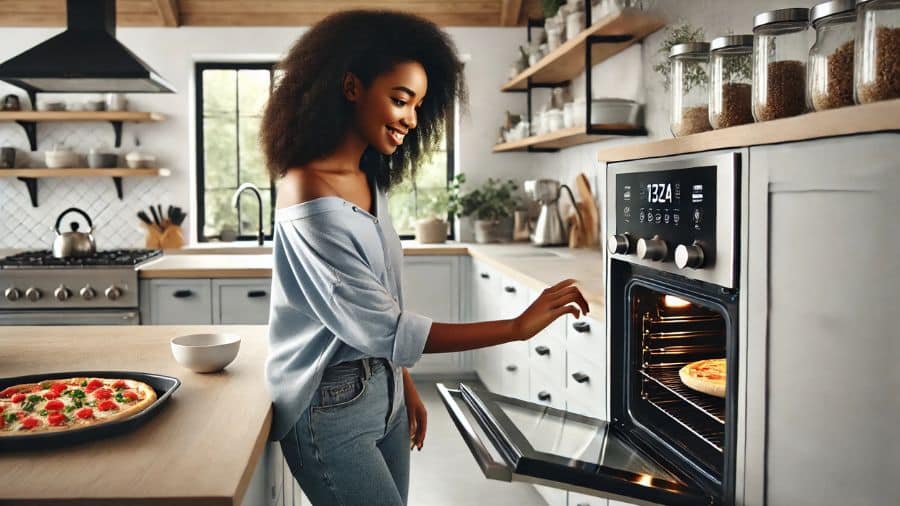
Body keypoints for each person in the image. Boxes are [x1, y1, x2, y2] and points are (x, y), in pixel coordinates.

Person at [260, 9, 590, 506]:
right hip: (327, 405)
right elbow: (383, 327)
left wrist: (403, 383)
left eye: (417, 104)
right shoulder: (306, 190)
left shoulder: (370, 181)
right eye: (399, 100)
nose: (411, 119)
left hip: (385, 390)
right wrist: (516, 327)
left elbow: (380, 303)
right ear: (351, 87)